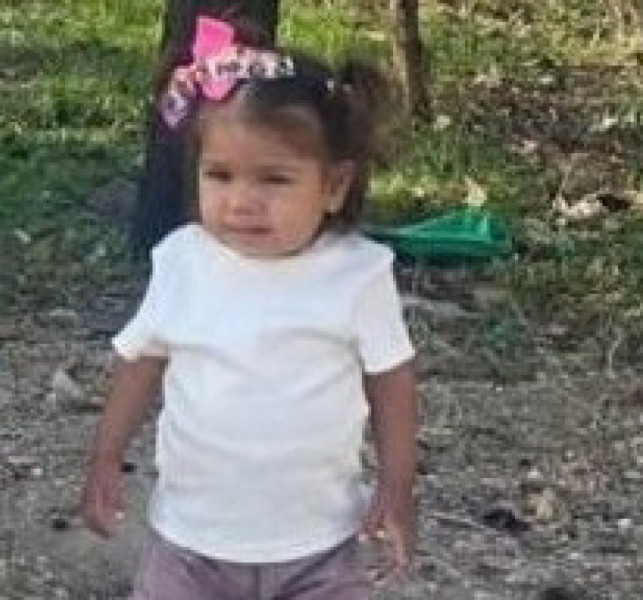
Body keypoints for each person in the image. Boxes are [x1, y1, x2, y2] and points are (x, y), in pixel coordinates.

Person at [81, 15, 417, 600]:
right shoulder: (183, 261)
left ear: (334, 186)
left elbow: (393, 382)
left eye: (274, 180)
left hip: (320, 545)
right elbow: (140, 363)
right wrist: (105, 456)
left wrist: (396, 484)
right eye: (220, 175)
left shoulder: (357, 274)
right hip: (189, 544)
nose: (242, 202)